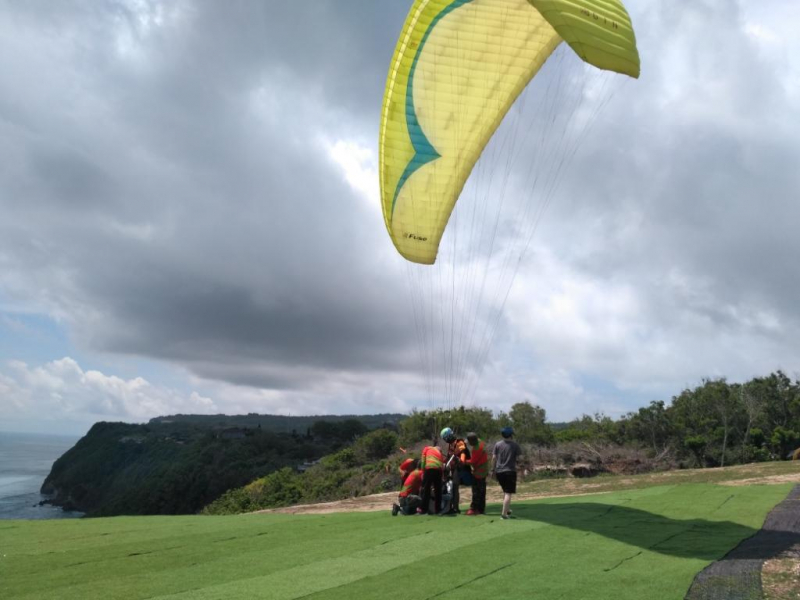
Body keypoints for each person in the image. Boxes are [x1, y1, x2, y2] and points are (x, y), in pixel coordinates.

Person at [492, 426, 521, 519]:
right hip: (510, 471)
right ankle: (504, 515)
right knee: (508, 493)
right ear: (511, 435)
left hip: (499, 471)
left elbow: (494, 458)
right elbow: (519, 458)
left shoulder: (497, 444)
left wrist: (493, 469)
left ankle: (507, 509)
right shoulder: (515, 445)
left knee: (505, 491)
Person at [441, 427, 470, 514]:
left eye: (445, 438)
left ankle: (455, 508)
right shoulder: (451, 445)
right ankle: (450, 506)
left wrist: (460, 460)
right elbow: (449, 457)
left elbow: (463, 453)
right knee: (450, 486)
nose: (445, 440)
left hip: (461, 467)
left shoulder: (460, 442)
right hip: (453, 468)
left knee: (454, 486)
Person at [465, 432, 489, 515]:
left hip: (479, 472)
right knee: (482, 491)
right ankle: (481, 509)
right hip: (484, 470)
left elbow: (473, 462)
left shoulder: (477, 449)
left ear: (472, 441)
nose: (469, 444)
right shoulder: (480, 442)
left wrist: (462, 461)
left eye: (469, 442)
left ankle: (474, 509)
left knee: (476, 491)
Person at [420, 440, 444, 514]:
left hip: (429, 469)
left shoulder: (427, 449)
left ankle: (424, 509)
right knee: (438, 491)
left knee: (426, 489)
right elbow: (442, 466)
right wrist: (442, 476)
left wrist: (422, 471)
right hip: (438, 471)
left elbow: (423, 460)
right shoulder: (440, 454)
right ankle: (438, 509)